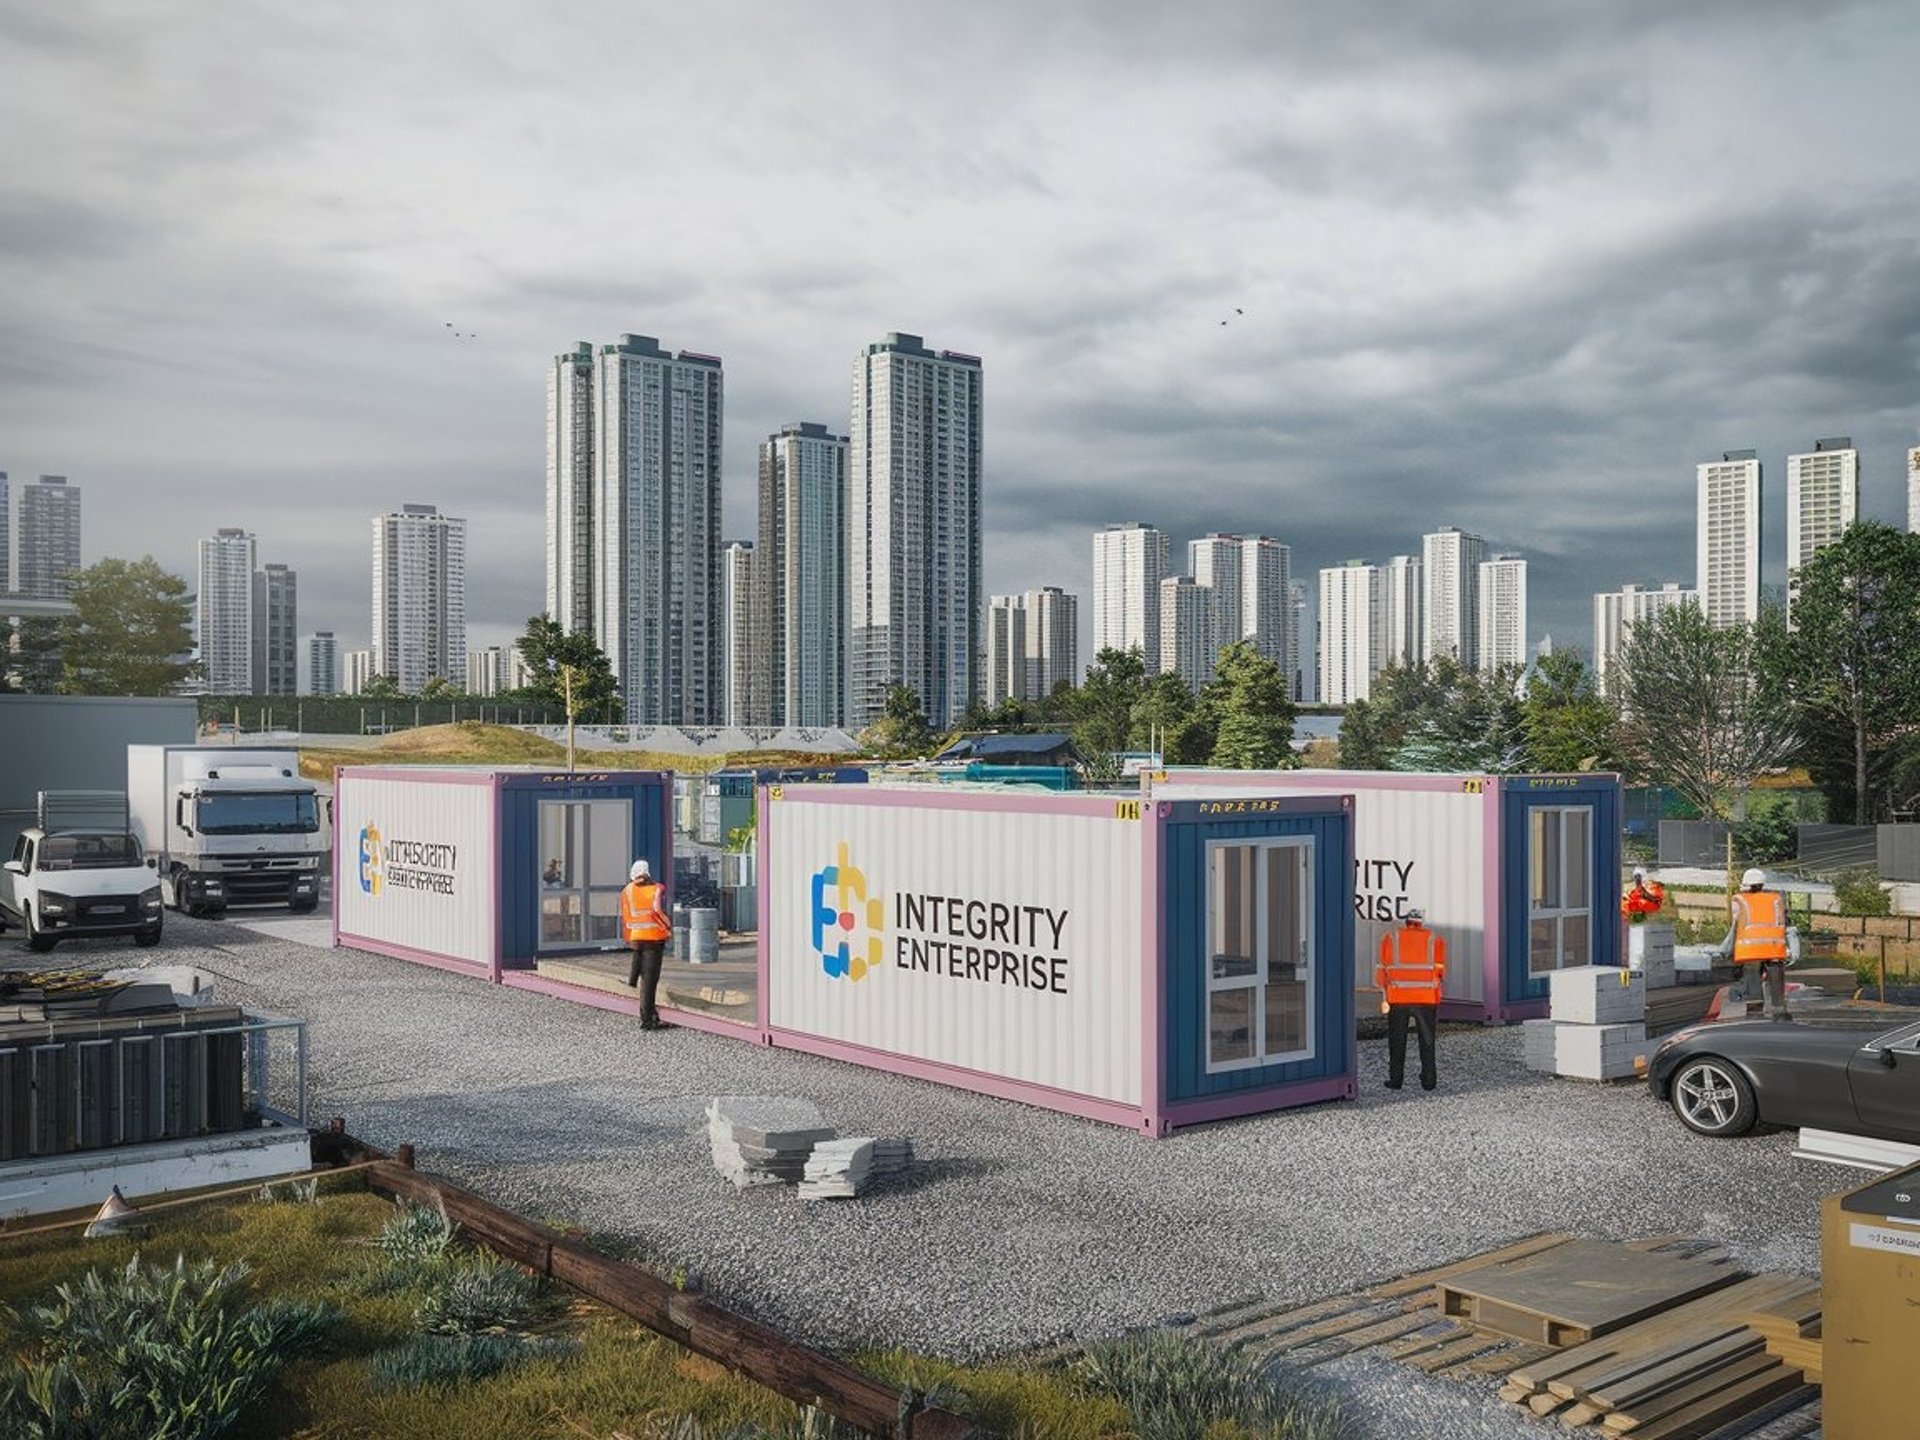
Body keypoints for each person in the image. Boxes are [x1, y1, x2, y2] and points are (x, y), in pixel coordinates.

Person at [1376, 909, 1446, 1091]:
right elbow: (1440, 971)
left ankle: (1396, 1080)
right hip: (1426, 998)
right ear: (1421, 922)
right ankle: (1429, 1081)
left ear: (1406, 921)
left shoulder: (1391, 938)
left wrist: (1384, 993)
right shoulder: (1434, 939)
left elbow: (1382, 970)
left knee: (1397, 1041)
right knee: (1427, 1040)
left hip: (1398, 997)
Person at [1717, 867, 1790, 1020]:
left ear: (1747, 885)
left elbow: (1736, 924)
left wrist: (1728, 948)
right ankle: (1779, 1011)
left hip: (1751, 949)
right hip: (1774, 948)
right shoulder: (1775, 899)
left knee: (1752, 980)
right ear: (1762, 884)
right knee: (1776, 978)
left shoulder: (1740, 899)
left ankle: (1755, 1012)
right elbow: (1784, 922)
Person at [619, 859, 673, 1029]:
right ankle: (648, 1020)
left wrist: (629, 936)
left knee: (643, 976)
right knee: (650, 981)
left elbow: (625, 915)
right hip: (653, 938)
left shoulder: (627, 890)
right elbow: (657, 911)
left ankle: (634, 983)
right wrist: (668, 927)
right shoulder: (655, 889)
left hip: (636, 936)